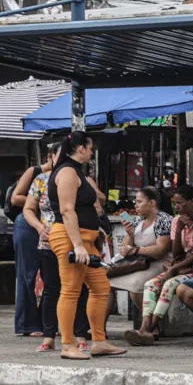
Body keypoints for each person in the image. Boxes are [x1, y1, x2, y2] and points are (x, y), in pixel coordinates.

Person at [47, 132, 126, 360]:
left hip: (86, 239)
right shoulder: (68, 172)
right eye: (90, 148)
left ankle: (99, 341)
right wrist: (78, 246)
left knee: (101, 288)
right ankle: (67, 344)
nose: (92, 153)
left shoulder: (75, 171)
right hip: (71, 238)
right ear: (81, 148)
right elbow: (66, 210)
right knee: (70, 290)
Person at [123, 185, 193, 346]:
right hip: (181, 266)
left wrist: (173, 269)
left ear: (192, 201)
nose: (177, 207)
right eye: (175, 204)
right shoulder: (176, 221)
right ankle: (146, 327)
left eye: (180, 203)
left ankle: (148, 330)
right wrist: (179, 229)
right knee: (150, 285)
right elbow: (177, 253)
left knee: (169, 284)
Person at [24, 142, 89, 353]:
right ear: (51, 156)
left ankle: (80, 334)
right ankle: (49, 336)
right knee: (52, 289)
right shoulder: (41, 180)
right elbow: (28, 209)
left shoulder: (78, 176)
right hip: (48, 239)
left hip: (76, 238)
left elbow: (96, 202)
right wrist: (39, 226)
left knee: (78, 288)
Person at [108, 187, 174, 313]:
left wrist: (135, 250)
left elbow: (161, 250)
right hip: (137, 263)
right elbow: (124, 248)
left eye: (139, 202)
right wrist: (129, 234)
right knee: (106, 284)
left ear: (151, 203)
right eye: (135, 202)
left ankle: (150, 323)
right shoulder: (138, 220)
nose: (136, 206)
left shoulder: (164, 220)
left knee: (135, 286)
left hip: (159, 263)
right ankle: (100, 330)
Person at [10, 157, 53, 337]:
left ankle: (48, 323)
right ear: (51, 156)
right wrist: (39, 198)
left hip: (50, 226)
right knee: (28, 274)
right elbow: (15, 198)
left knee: (50, 275)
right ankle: (27, 324)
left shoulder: (69, 174)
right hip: (29, 224)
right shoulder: (35, 172)